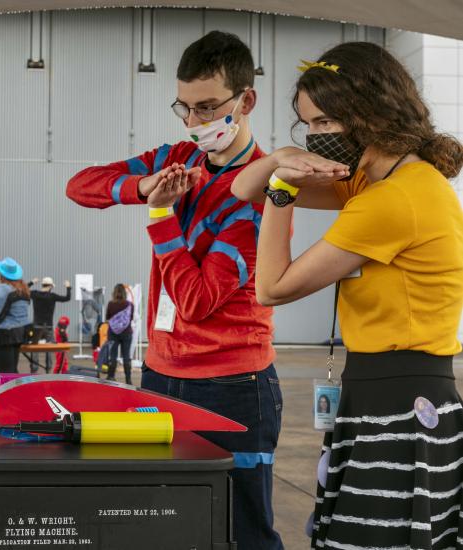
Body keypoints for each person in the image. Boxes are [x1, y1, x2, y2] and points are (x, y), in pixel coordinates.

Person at [231, 42, 463, 549]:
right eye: (307, 125)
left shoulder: (392, 199)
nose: (315, 137)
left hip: (400, 403)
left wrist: (282, 191)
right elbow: (240, 189)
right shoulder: (377, 181)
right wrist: (279, 159)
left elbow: (272, 287)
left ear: (368, 116)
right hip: (386, 393)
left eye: (324, 124)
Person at [66, 31, 282, 548]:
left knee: (242, 530)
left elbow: (197, 300)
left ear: (246, 101)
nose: (193, 123)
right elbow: (80, 185)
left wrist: (161, 215)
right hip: (162, 373)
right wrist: (142, 186)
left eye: (207, 108)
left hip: (234, 385)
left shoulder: (261, 194)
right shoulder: (177, 156)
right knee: (165, 524)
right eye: (183, 107)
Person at [28, 277, 71, 372]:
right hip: (48, 326)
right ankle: (48, 370)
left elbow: (24, 291)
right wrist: (68, 287)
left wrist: (32, 282)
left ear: (42, 285)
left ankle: (34, 371)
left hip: (36, 326)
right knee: (49, 349)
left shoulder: (35, 294)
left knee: (35, 348)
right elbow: (67, 298)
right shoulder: (52, 296)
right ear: (51, 286)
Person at [105, 284, 134, 384]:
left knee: (112, 356)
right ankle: (128, 380)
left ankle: (111, 377)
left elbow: (107, 317)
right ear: (124, 293)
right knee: (126, 356)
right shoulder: (130, 305)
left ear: (114, 292)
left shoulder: (110, 304)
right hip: (127, 333)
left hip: (113, 333)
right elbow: (131, 318)